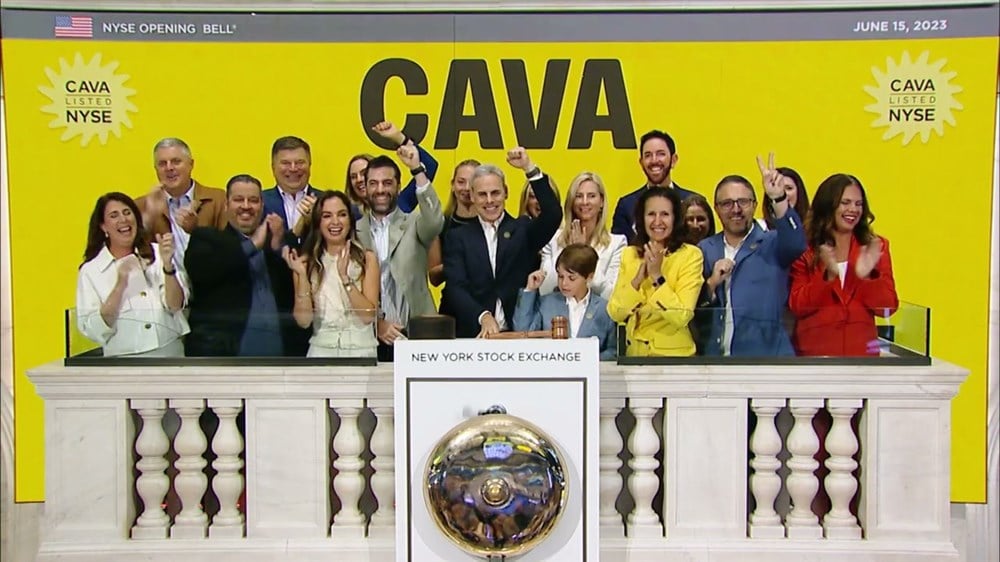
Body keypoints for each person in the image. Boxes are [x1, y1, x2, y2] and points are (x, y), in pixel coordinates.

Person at [443, 148, 562, 338]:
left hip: (519, 335)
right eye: (482, 194)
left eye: (495, 193)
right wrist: (482, 316)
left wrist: (529, 168)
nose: (490, 200)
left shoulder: (523, 230)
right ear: (472, 196)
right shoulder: (457, 237)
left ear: (506, 192)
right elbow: (455, 287)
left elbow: (553, 214)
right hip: (474, 336)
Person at [695, 154, 807, 356]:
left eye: (743, 202)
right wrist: (710, 285)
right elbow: (696, 310)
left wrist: (778, 198)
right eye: (727, 203)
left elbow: (797, 243)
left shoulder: (773, 242)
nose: (736, 209)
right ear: (716, 209)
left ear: (754, 205)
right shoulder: (705, 249)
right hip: (716, 361)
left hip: (765, 361)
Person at [184, 174, 305, 357]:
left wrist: (277, 247)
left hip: (281, 360)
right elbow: (204, 272)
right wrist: (252, 245)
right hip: (224, 358)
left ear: (262, 206)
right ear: (226, 205)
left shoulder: (279, 242)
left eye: (253, 200)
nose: (246, 206)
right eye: (238, 200)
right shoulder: (206, 239)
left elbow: (294, 294)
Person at [789, 173, 898, 356]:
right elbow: (798, 306)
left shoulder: (875, 246)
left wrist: (866, 277)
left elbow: (888, 307)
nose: (853, 209)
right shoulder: (805, 248)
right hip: (815, 356)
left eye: (858, 204)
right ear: (828, 205)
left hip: (861, 358)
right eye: (845, 203)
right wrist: (828, 277)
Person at [355, 146, 444, 361]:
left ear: (399, 186)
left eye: (387, 183)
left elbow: (435, 221)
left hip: (417, 333)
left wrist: (417, 170)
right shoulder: (354, 231)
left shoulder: (414, 223)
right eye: (373, 183)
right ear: (365, 188)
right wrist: (377, 324)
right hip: (368, 337)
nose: (380, 189)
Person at [76, 192, 189, 357]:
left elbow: (175, 305)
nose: (123, 219)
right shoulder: (91, 271)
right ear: (103, 227)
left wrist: (167, 266)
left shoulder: (158, 253)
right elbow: (92, 328)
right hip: (123, 360)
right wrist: (120, 285)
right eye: (114, 215)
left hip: (169, 353)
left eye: (127, 212)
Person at [607, 187, 703, 357]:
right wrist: (637, 281)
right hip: (634, 355)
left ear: (675, 218)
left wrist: (657, 277)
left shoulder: (690, 255)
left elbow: (682, 316)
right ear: (641, 218)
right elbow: (616, 313)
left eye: (665, 214)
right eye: (651, 214)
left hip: (673, 357)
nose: (657, 221)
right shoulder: (629, 254)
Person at [282, 191, 380, 357]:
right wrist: (302, 277)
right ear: (318, 222)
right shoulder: (305, 263)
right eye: (327, 216)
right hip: (321, 352)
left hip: (361, 352)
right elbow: (303, 321)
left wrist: (345, 279)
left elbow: (368, 316)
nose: (335, 222)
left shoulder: (367, 259)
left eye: (342, 215)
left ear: (350, 220)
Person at [135, 137, 228, 272]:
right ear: (155, 169)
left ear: (191, 164)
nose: (169, 168)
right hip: (164, 281)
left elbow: (229, 247)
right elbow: (134, 253)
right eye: (162, 164)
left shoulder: (218, 199)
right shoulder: (140, 206)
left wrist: (196, 230)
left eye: (176, 161)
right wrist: (149, 217)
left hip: (212, 279)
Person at [514, 244, 617, 360]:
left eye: (571, 278)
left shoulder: (604, 309)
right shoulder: (547, 303)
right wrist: (530, 290)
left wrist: (588, 360)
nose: (564, 283)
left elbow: (613, 350)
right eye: (560, 276)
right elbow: (522, 333)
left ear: (589, 277)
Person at [537, 172, 626, 300]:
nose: (585, 202)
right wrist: (570, 252)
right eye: (579, 196)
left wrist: (584, 255)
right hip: (558, 311)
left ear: (601, 202)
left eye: (591, 196)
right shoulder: (553, 238)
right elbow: (545, 288)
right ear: (572, 202)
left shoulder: (617, 243)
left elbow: (610, 294)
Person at [611, 130, 698, 242]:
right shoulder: (627, 205)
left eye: (661, 154)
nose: (654, 160)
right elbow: (620, 247)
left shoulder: (693, 202)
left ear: (673, 160)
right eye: (648, 155)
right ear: (641, 163)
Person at [428, 159, 481, 289]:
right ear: (452, 185)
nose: (467, 188)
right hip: (453, 298)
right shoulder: (440, 224)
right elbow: (434, 278)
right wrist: (456, 263)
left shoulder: (493, 222)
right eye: (461, 182)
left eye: (472, 182)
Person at [262, 136, 324, 242]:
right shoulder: (259, 202)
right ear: (273, 167)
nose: (293, 168)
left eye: (300, 162)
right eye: (285, 163)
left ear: (309, 165)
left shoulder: (326, 201)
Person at [765, 166, 811, 231]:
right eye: (777, 187)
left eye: (789, 188)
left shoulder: (812, 228)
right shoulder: (761, 228)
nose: (783, 193)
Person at [344, 154, 373, 219]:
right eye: (353, 177)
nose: (359, 179)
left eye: (364, 173)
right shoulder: (351, 216)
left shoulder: (396, 205)